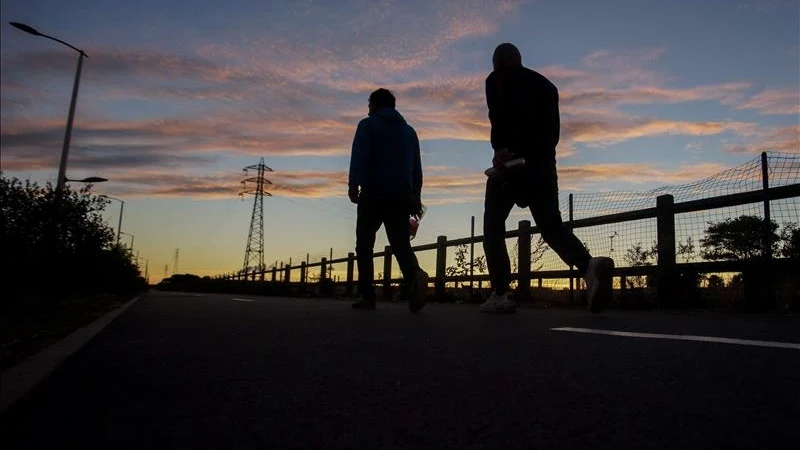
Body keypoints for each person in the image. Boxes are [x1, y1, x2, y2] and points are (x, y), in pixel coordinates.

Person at [481, 43, 614, 314]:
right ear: (520, 59)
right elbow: (552, 133)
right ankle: (589, 267)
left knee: (493, 225)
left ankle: (501, 292)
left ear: (497, 62)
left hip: (513, 165)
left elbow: (498, 115)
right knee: (551, 226)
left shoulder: (496, 79)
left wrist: (501, 148)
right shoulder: (546, 86)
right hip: (543, 165)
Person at [348, 88, 430, 312]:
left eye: (369, 104)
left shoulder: (367, 125)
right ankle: (415, 277)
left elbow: (360, 155)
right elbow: (417, 168)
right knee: (401, 245)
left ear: (374, 105)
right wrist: (416, 194)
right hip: (401, 196)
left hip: (372, 194)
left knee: (364, 245)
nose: (368, 109)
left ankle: (367, 296)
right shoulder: (409, 132)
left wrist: (353, 183)